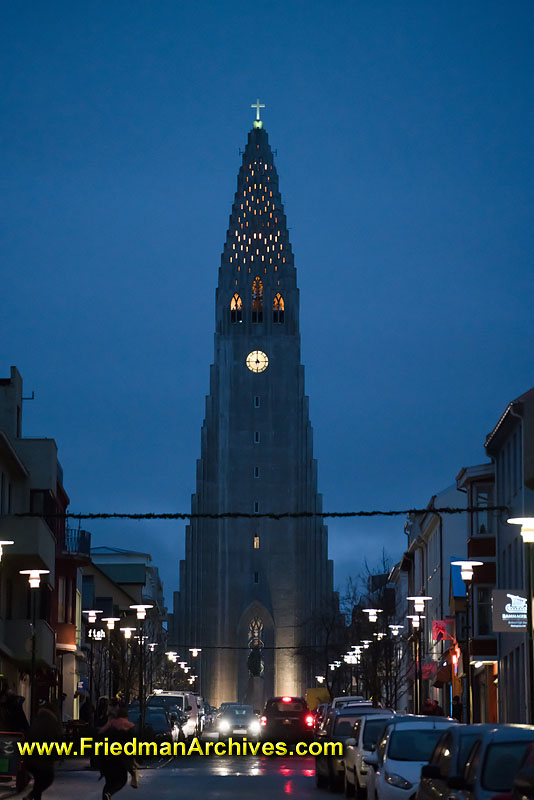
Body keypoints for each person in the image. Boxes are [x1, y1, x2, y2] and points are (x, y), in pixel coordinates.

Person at [24, 703, 63, 800]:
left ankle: (33, 796)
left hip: (32, 756)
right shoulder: (51, 723)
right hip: (43, 758)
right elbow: (54, 740)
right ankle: (31, 795)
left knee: (39, 780)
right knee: (47, 778)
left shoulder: (38, 720)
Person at [97, 706, 136, 799]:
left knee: (109, 782)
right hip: (120, 760)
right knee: (121, 780)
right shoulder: (129, 727)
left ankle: (106, 795)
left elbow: (99, 740)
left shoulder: (109, 726)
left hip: (106, 759)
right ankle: (109, 794)